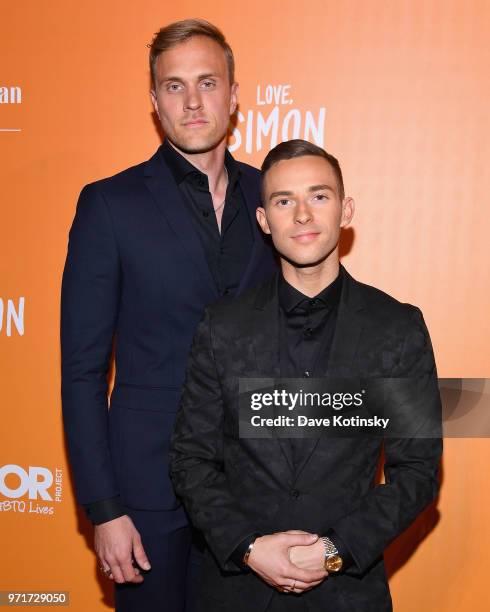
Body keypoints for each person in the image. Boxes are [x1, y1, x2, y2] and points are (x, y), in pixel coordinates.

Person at [169, 139, 442, 611]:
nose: (302, 215)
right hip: (237, 593)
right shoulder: (222, 326)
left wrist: (334, 551)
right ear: (263, 221)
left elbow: (416, 470)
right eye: (283, 201)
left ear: (346, 209)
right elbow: (191, 458)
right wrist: (250, 548)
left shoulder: (397, 327)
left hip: (348, 593)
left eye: (319, 196)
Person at [60, 18, 276, 612]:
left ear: (234, 95)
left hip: (255, 487)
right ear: (154, 102)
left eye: (207, 82)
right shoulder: (109, 205)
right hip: (147, 491)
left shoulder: (274, 199)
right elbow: (81, 371)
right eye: (174, 86)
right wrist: (104, 509)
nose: (193, 101)